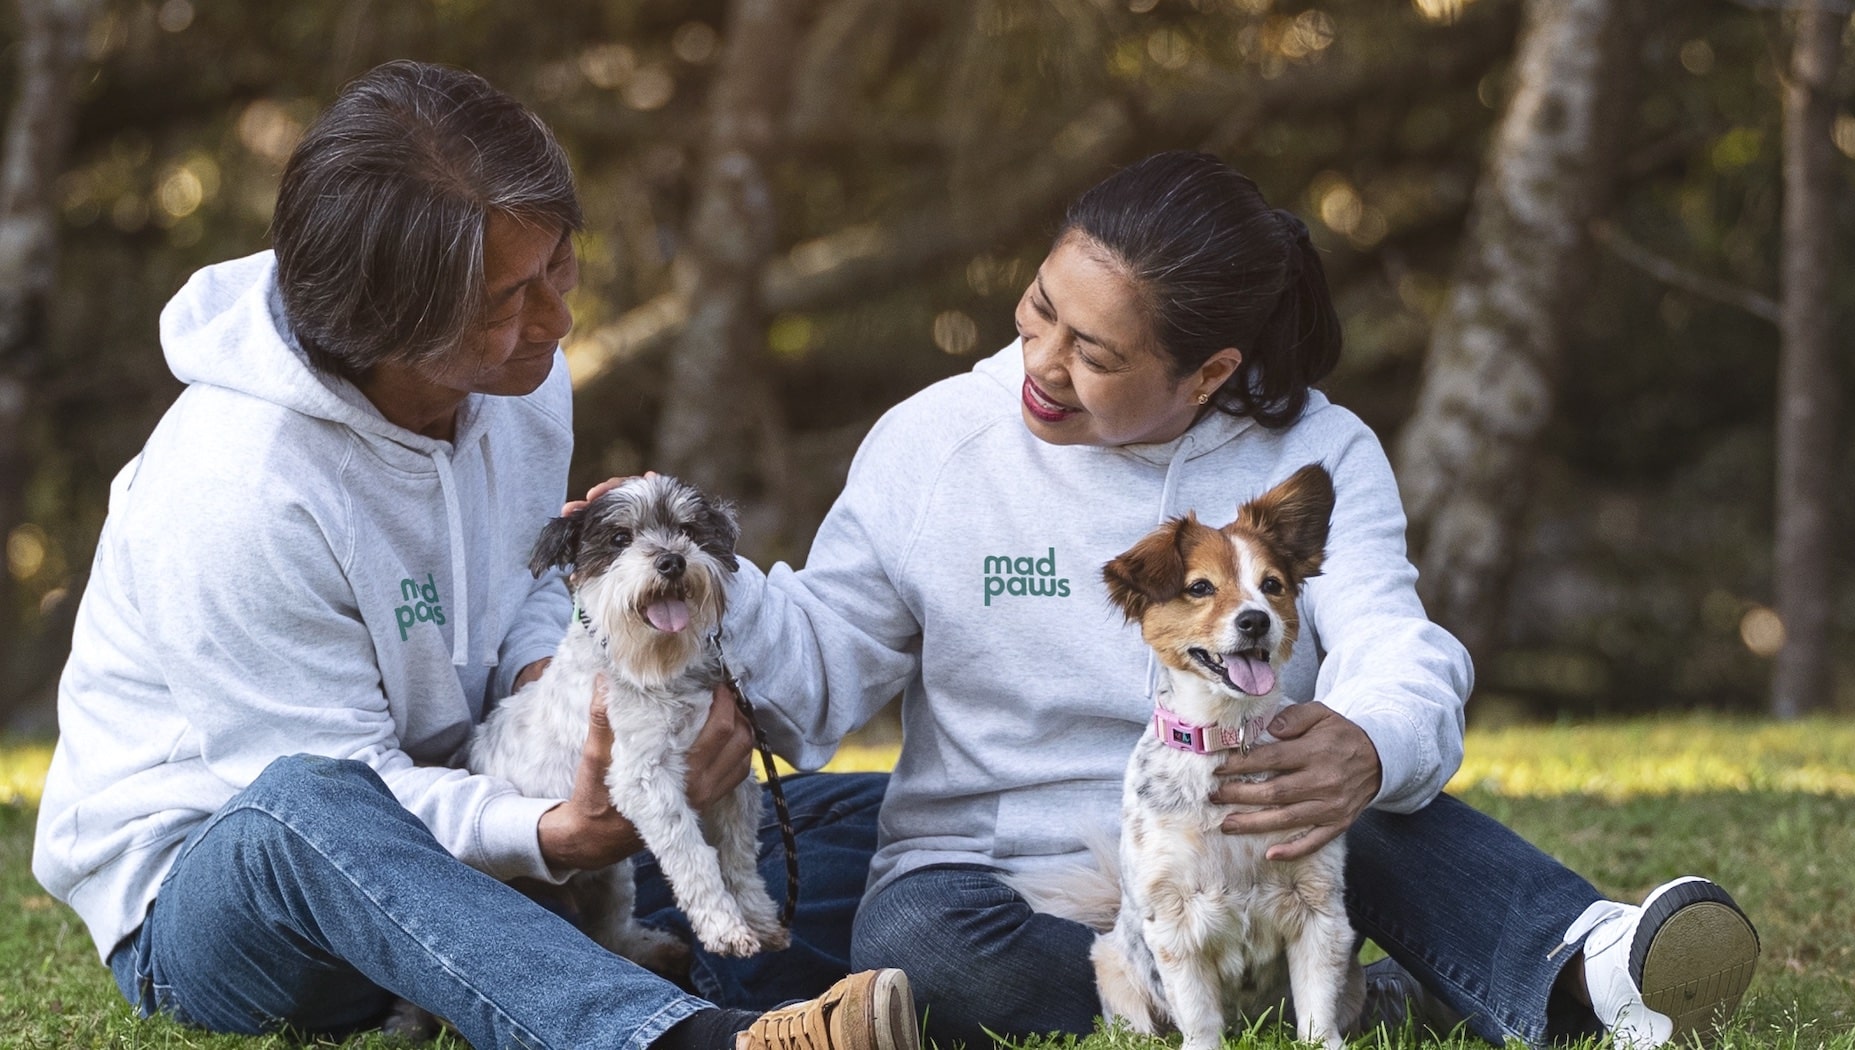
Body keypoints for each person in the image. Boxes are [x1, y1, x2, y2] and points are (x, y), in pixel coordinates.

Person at [708, 150, 1760, 1049]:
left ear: (1207, 373)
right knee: (921, 950)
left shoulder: (1313, 449)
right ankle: (1347, 1001)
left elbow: (1392, 642)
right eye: (1040, 307)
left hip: (1249, 824)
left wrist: (1368, 739)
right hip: (1009, 876)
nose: (1041, 361)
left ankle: (1586, 968)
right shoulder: (934, 442)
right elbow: (818, 663)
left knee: (1353, 781)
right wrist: (710, 588)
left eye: (1095, 353)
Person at [30, 61, 912, 1050]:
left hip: (492, 811)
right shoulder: (235, 492)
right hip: (239, 894)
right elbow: (335, 785)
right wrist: (547, 835)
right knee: (308, 803)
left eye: (557, 268)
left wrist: (569, 693)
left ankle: (603, 957)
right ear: (380, 325)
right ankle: (673, 1035)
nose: (555, 322)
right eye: (505, 300)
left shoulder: (520, 381)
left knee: (903, 826)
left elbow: (528, 592)